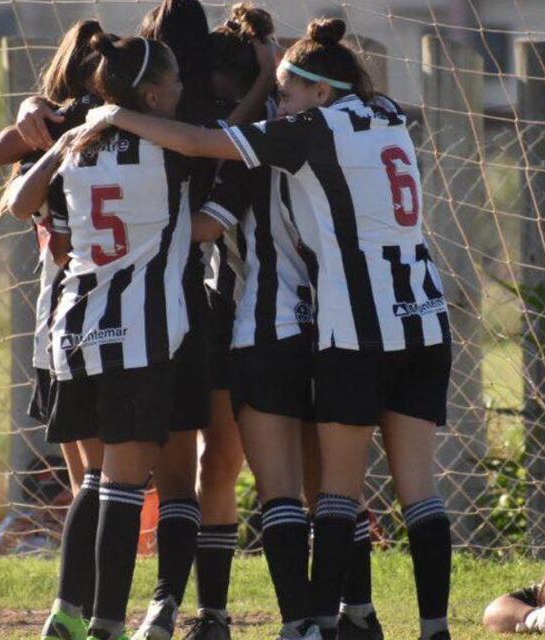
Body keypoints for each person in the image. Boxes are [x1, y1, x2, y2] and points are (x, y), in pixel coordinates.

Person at [81, 16, 454, 640]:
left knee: (299, 491)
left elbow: (207, 166)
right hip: (413, 313)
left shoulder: (271, 145)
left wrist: (106, 119)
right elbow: (306, 87)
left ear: (314, 93)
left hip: (295, 326)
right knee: (392, 490)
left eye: (287, 92)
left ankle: (302, 623)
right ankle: (387, 618)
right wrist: (279, 63)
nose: (276, 105)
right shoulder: (386, 112)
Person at [194, 15, 382, 639]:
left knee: (280, 494)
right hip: (332, 329)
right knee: (337, 488)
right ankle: (356, 614)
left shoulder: (246, 151)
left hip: (264, 329)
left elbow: (207, 226)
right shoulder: (350, 134)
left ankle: (300, 622)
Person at [7, 32, 189, 640]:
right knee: (122, 486)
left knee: (90, 480)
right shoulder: (171, 149)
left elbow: (16, 202)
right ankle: (108, 623)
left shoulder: (78, 146)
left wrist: (55, 141)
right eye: (177, 84)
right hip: (140, 331)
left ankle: (65, 612)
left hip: (77, 331)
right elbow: (225, 142)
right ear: (157, 94)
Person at [130, 4, 278, 638]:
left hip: (197, 309)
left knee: (196, 467)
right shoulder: (234, 125)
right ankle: (188, 608)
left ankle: (186, 609)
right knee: (209, 467)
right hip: (213, 309)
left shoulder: (161, 122)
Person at [0, 20, 113, 640]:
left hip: (54, 329)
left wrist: (25, 122)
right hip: (110, 325)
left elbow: (8, 178)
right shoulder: (122, 131)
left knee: (85, 480)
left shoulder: (48, 137)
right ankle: (82, 610)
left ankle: (82, 605)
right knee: (102, 481)